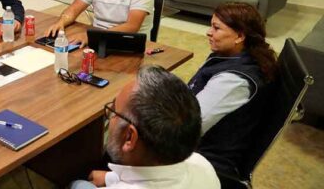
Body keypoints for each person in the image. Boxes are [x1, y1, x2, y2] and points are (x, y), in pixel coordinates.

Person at [71, 65, 220, 189]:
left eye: (114, 111)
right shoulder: (203, 165)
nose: (110, 118)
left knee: (77, 185)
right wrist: (112, 178)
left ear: (129, 137)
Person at [188, 2, 278, 180]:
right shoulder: (239, 57)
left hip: (205, 159)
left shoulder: (234, 81)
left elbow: (187, 128)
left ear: (239, 36)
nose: (208, 32)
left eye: (216, 28)